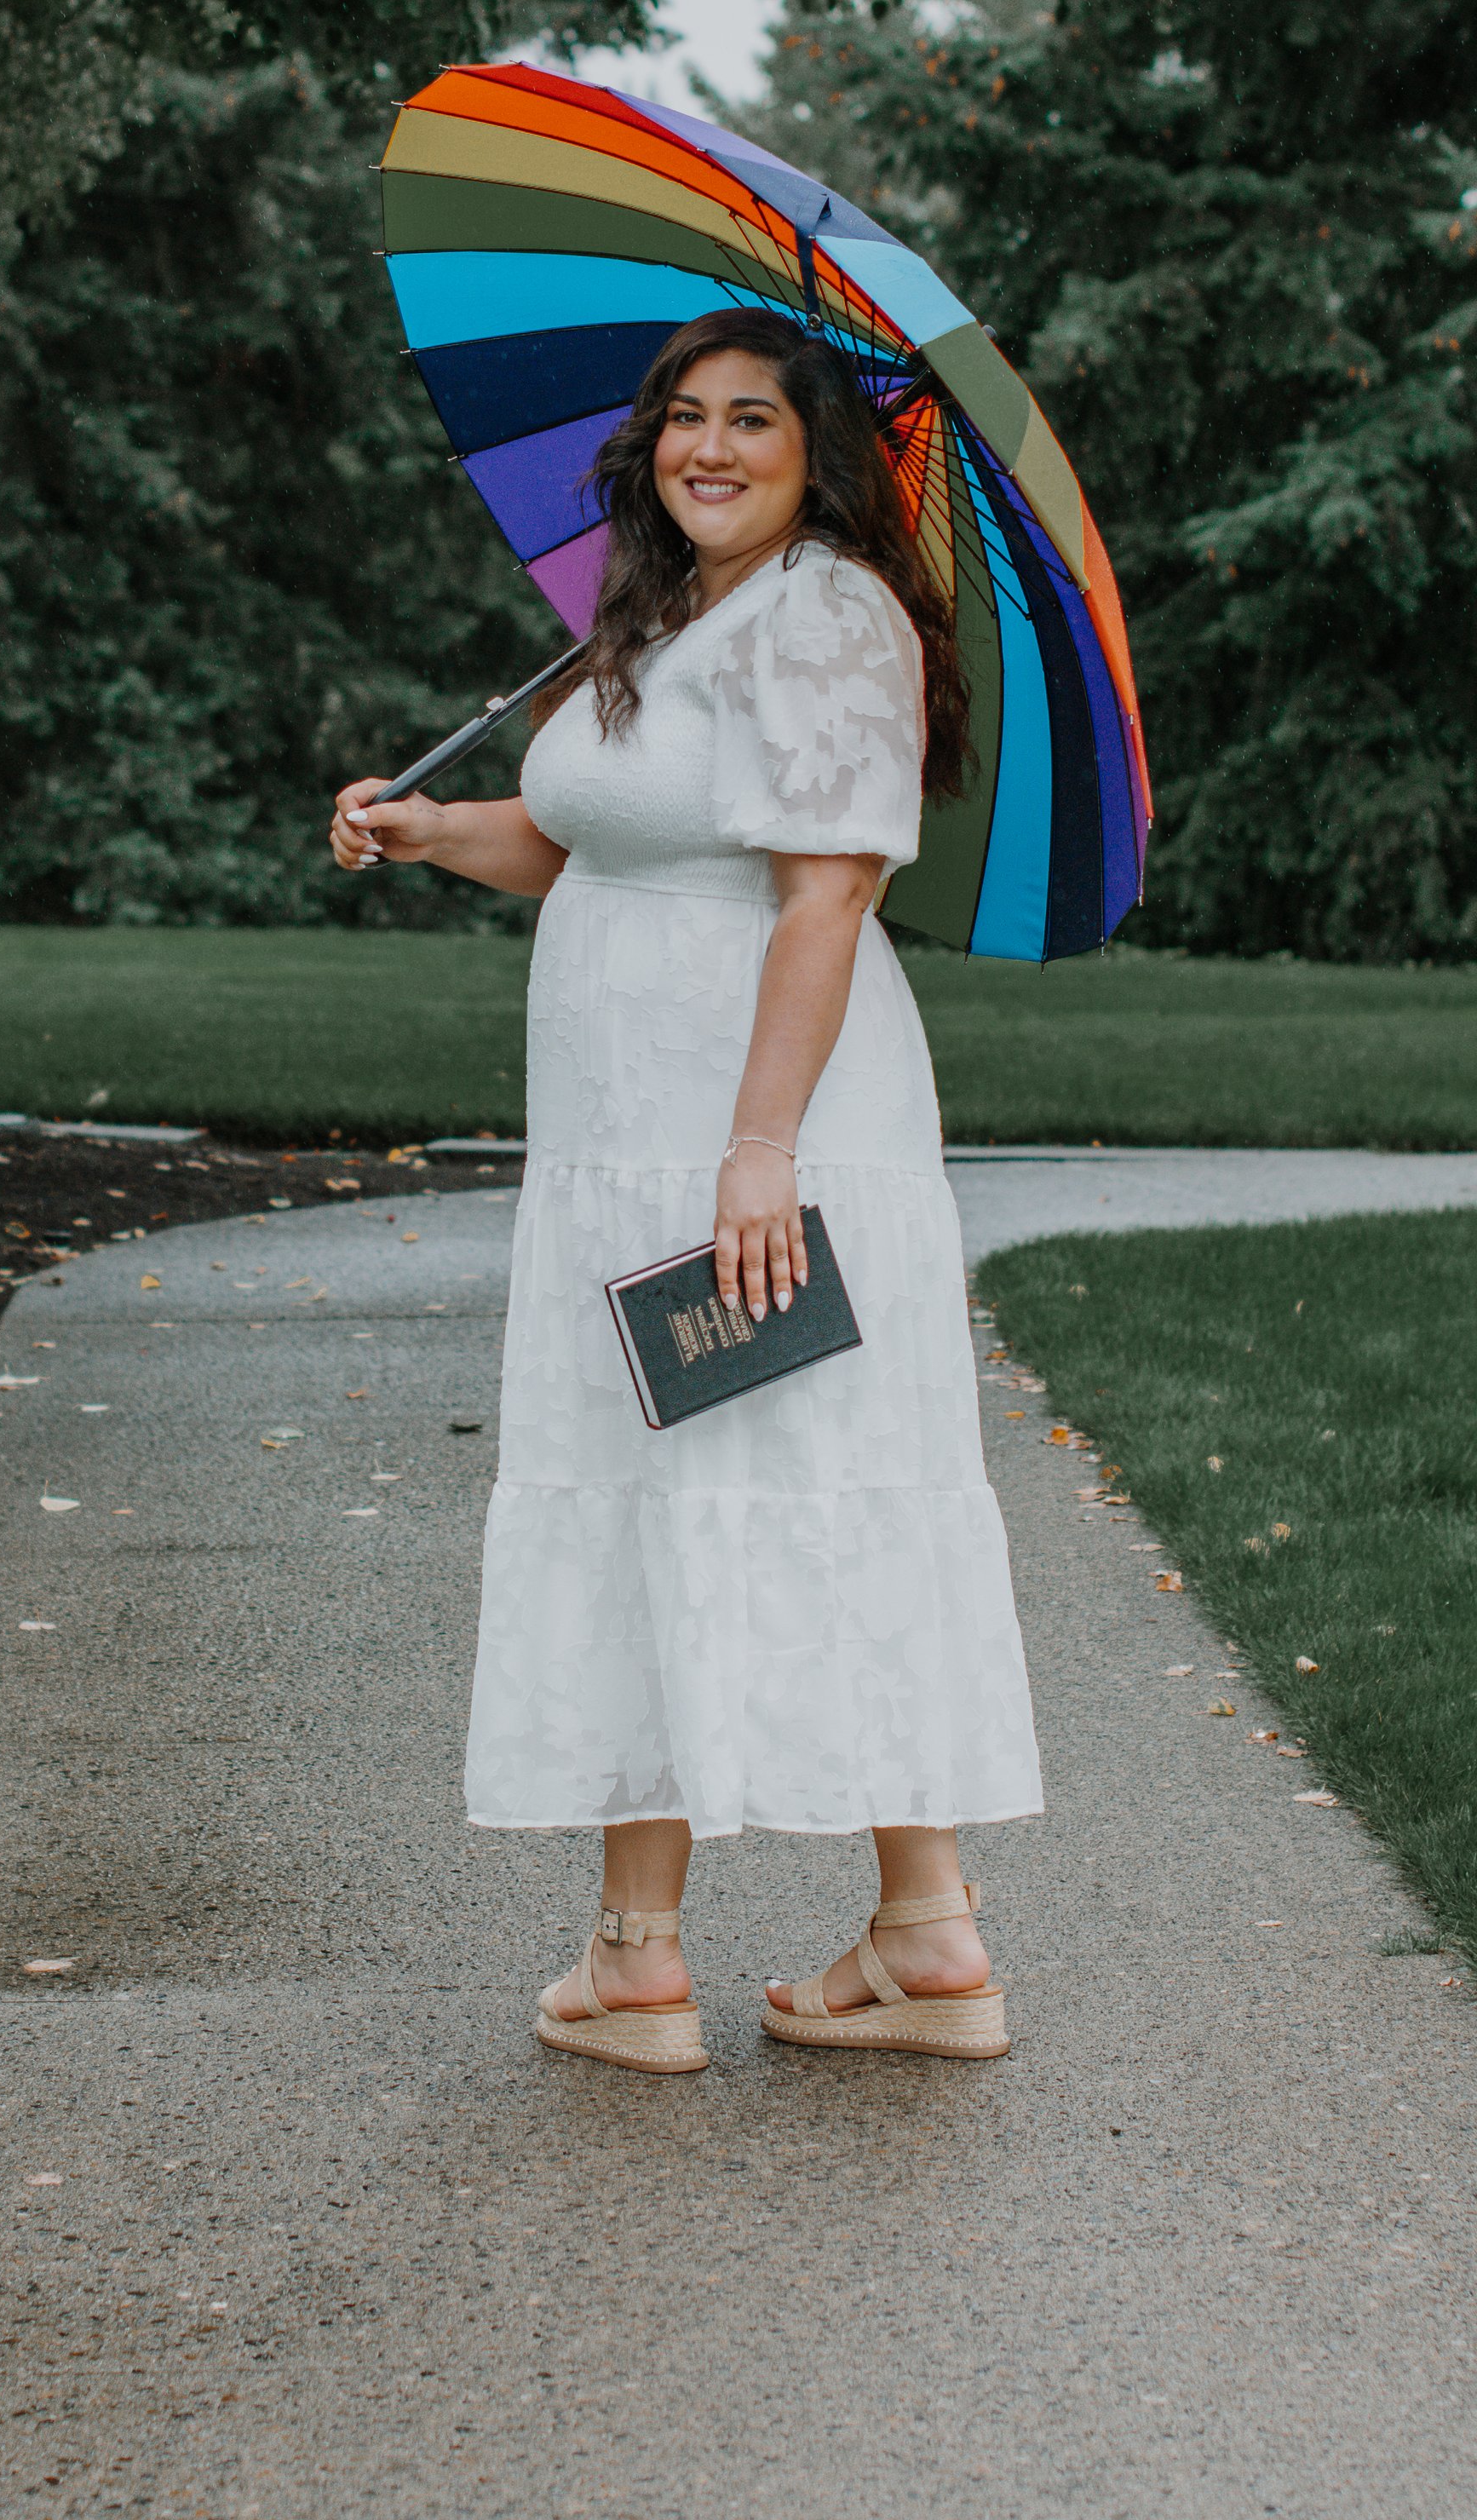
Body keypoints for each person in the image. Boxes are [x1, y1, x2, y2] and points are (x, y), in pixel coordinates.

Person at [330, 307, 1039, 2068]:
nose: (703, 445)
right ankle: (709, 1948)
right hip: (626, 1130)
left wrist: (757, 1151)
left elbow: (823, 896)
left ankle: (861, 1931)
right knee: (678, 1469)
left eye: (750, 419)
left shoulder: (826, 616)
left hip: (762, 1128)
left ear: (817, 456)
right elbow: (576, 841)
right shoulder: (657, 617)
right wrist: (433, 831)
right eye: (679, 416)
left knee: (807, 1466)